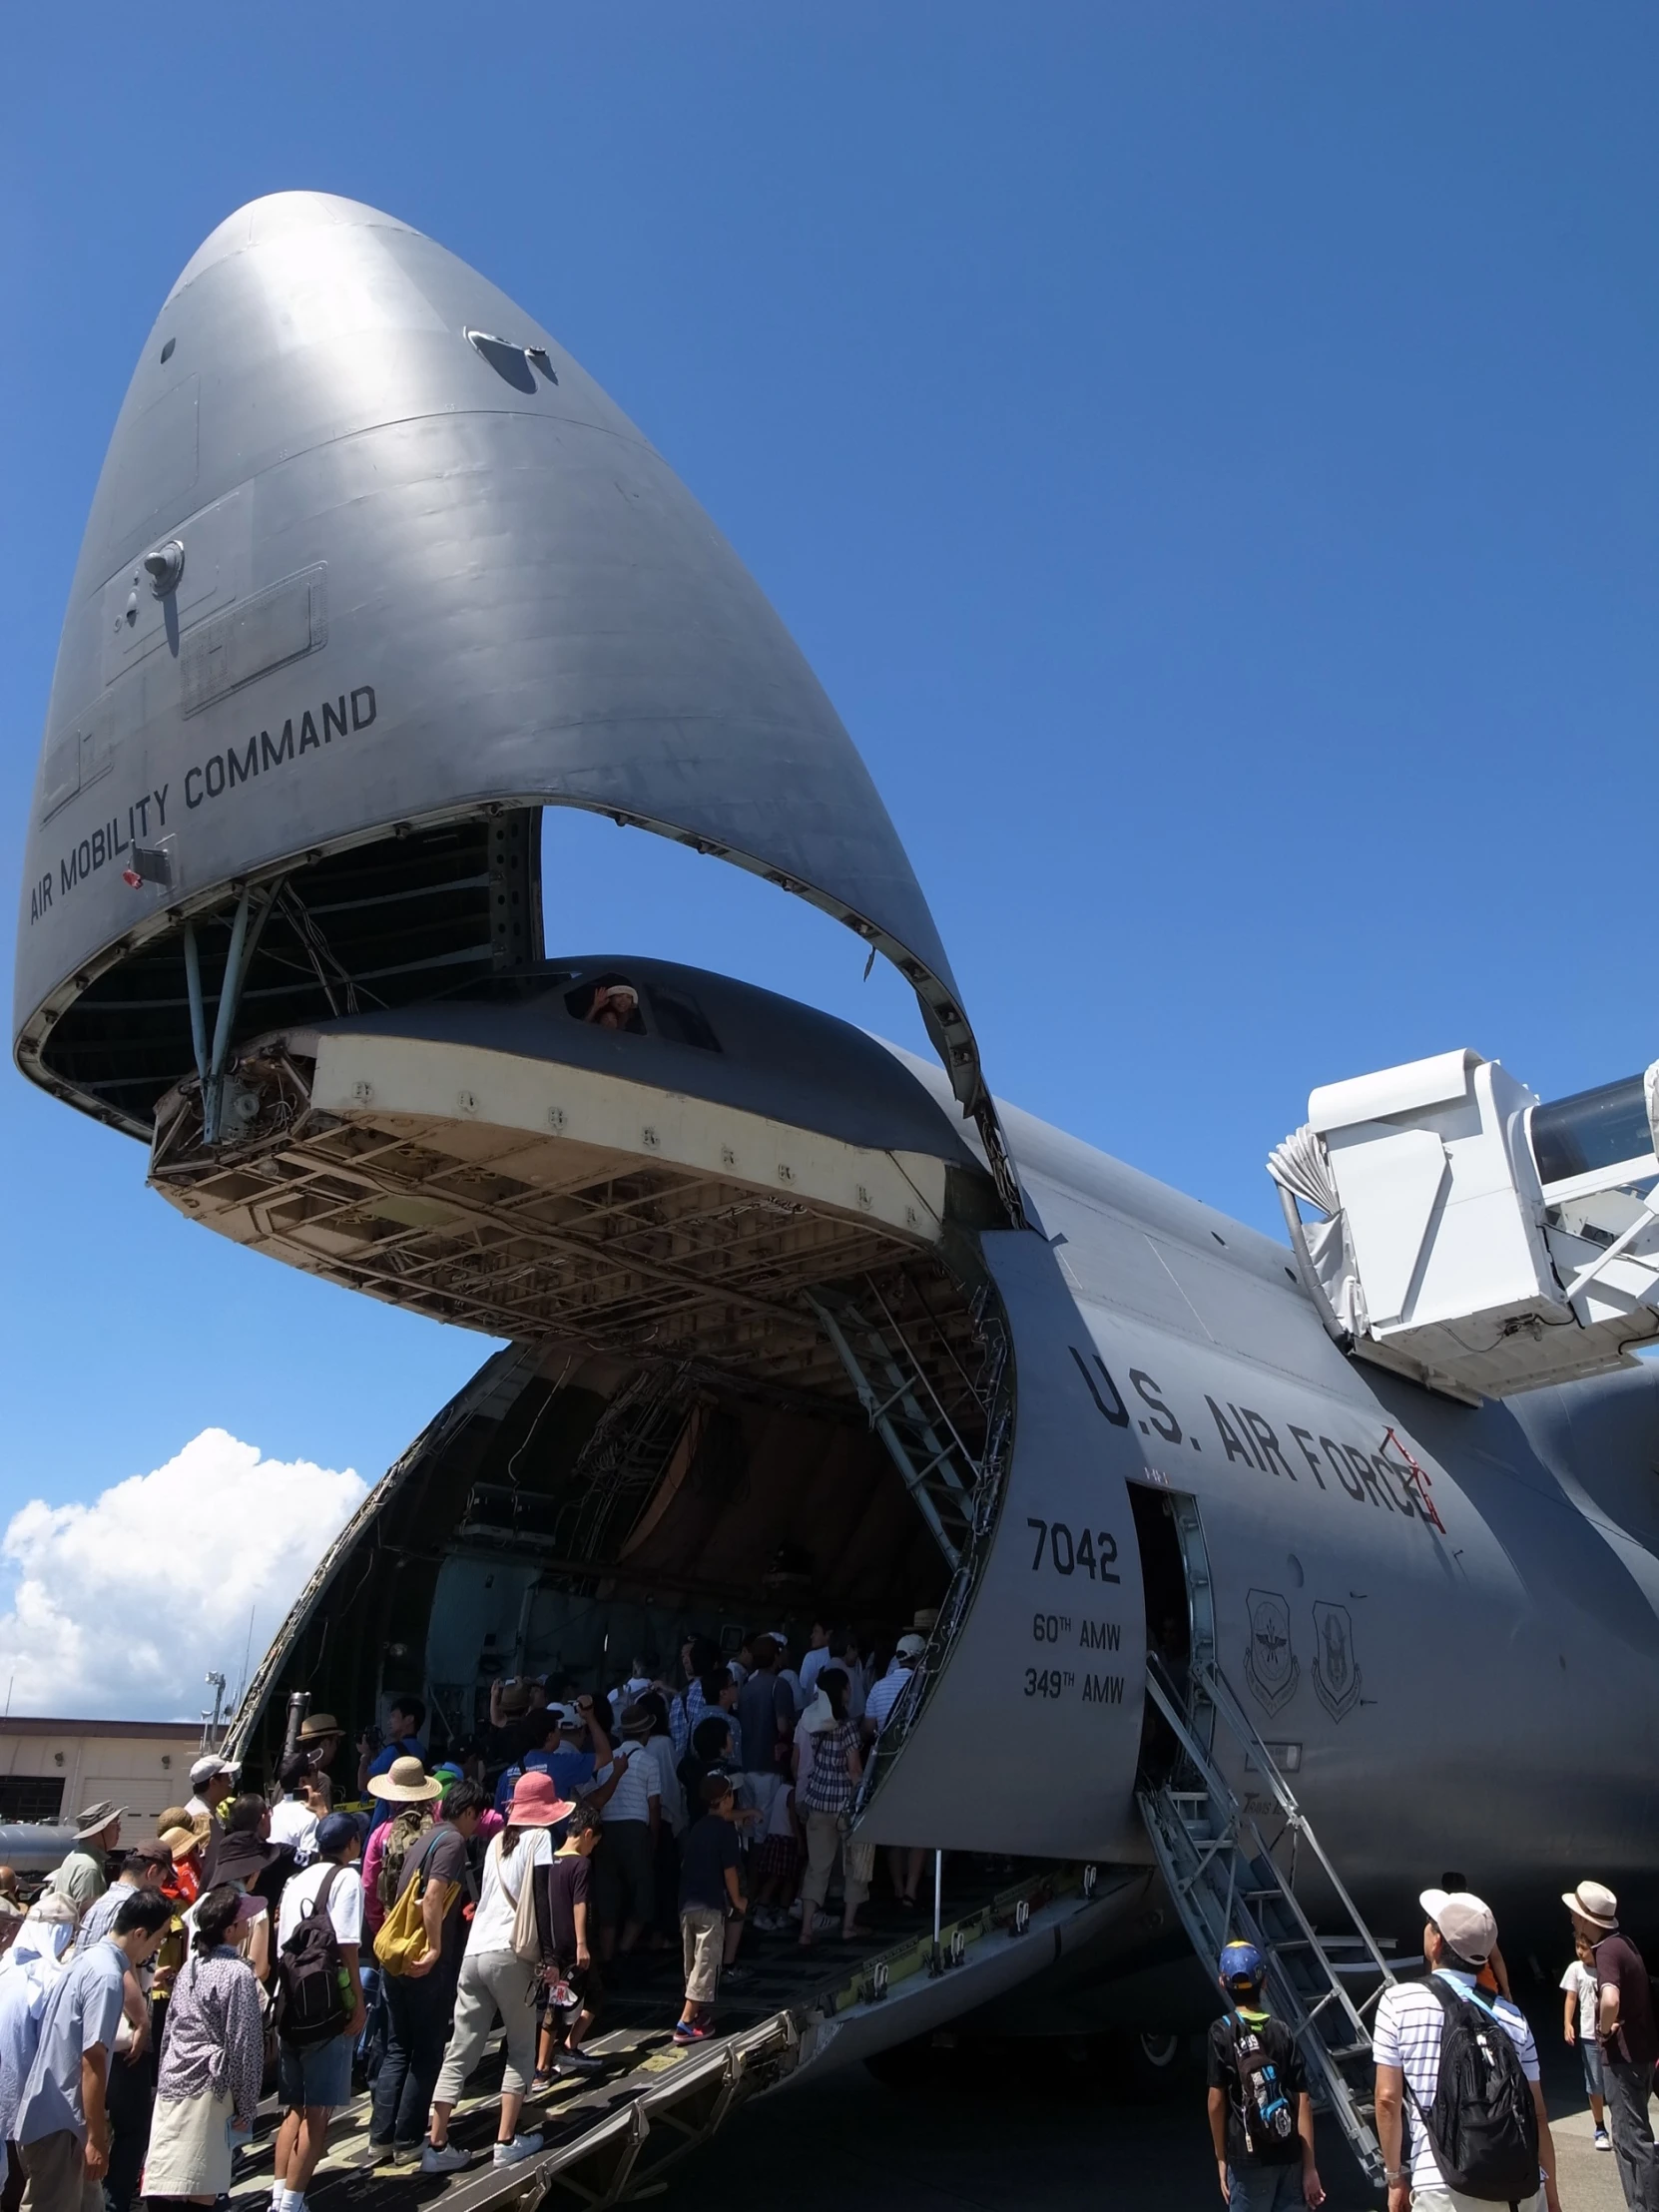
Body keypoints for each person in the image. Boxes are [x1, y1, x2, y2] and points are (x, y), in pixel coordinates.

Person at [1375, 1888, 1560, 2212]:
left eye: (1430, 1924)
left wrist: (1394, 2177)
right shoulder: (1513, 2017)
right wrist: (1552, 2199)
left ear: (1436, 1943)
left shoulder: (1398, 2003)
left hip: (1442, 2181)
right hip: (1520, 2186)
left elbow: (1387, 2099)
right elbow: (1538, 2115)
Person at [425, 1771, 571, 2174]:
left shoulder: (494, 1843)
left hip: (474, 1955)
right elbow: (541, 1899)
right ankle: (506, 2140)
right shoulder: (539, 1838)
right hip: (511, 1954)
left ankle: (436, 2144)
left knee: (461, 2047)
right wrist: (551, 1957)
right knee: (522, 2047)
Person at [14, 1888, 170, 2212]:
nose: (159, 1946)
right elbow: (93, 2060)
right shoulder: (107, 1976)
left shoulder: (89, 1958)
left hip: (57, 2116)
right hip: (62, 2125)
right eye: (160, 1937)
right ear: (140, 1933)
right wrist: (96, 2138)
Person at [367, 1772, 485, 2165]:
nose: (476, 1826)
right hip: (423, 1960)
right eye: (476, 1816)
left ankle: (381, 2137)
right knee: (426, 2051)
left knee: (398, 2046)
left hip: (395, 1955)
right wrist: (435, 1948)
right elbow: (432, 1897)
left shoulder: (423, 1839)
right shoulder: (451, 1841)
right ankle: (408, 2142)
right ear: (466, 1812)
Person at [142, 1885, 264, 2207]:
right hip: (210, 2084)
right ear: (230, 1929)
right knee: (202, 2183)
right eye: (243, 1919)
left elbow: (170, 2028)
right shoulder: (238, 1974)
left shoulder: (189, 1968)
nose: (249, 1923)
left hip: (174, 2078)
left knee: (166, 2178)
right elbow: (244, 2044)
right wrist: (248, 2104)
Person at [272, 1814, 366, 2212]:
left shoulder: (297, 1881)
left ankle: (278, 2198)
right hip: (324, 2005)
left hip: (288, 2000)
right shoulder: (346, 1879)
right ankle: (292, 2204)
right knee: (319, 2110)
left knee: (293, 2107)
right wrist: (358, 2006)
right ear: (350, 1845)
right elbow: (346, 1946)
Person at [77, 1842, 172, 2212]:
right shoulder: (129, 1908)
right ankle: (113, 2203)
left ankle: (96, 2198)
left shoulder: (101, 1902)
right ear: (152, 1871)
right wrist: (142, 2021)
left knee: (100, 2121)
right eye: (163, 1877)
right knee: (132, 2127)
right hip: (121, 2034)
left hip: (96, 2027)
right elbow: (121, 1967)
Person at [1205, 1940, 1324, 2211]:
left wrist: (1221, 2157)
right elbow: (1302, 2101)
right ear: (1265, 1983)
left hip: (1247, 2160)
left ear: (1223, 1983)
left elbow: (1216, 2102)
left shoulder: (1221, 2032)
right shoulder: (1283, 2032)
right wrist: (1310, 2167)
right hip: (1289, 2155)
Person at [1564, 1880, 1659, 2210]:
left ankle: (1644, 2205)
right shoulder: (1624, 1944)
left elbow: (1610, 1998)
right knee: (1636, 2135)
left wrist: (1604, 2030)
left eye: (1576, 1915)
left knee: (1632, 2140)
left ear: (1589, 1920)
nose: (1573, 1920)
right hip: (1643, 2055)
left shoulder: (1605, 1951)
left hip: (1624, 2060)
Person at [0, 1897, 77, 2212]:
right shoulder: (50, 1978)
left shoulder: (6, 1966)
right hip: (30, 2108)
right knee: (25, 2188)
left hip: (8, 2098)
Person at [794, 1672, 866, 1947]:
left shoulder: (812, 1722)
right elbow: (855, 1769)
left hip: (817, 1802)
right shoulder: (847, 1727)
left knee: (817, 1868)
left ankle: (806, 1931)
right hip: (844, 1806)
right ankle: (848, 1926)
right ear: (844, 1691)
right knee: (856, 1865)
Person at [535, 1804, 605, 2082]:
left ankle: (541, 2068)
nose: (593, 1849)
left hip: (552, 1946)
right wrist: (582, 1943)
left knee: (554, 2005)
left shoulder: (549, 1861)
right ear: (587, 1834)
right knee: (597, 1996)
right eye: (595, 1843)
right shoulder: (581, 1864)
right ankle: (568, 2047)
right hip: (572, 1946)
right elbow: (580, 1903)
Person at [674, 1776, 745, 2046]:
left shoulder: (697, 1828)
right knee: (706, 1963)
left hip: (687, 1905)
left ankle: (697, 2014)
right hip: (710, 1906)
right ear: (726, 1799)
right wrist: (738, 1901)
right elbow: (730, 1872)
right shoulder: (725, 1831)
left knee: (691, 1963)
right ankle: (686, 2021)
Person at [864, 1633, 926, 1908]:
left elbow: (868, 1729)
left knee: (893, 1834)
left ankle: (898, 1888)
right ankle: (912, 1891)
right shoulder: (925, 1687)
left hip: (886, 1768)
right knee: (919, 1832)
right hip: (918, 1767)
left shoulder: (879, 1687)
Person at [594, 1707, 661, 1960]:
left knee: (608, 1895)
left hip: (605, 1831)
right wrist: (653, 1841)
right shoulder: (649, 1761)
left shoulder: (606, 1760)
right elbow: (654, 1806)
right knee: (643, 1893)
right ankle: (624, 1951)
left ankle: (607, 1959)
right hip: (635, 1830)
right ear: (646, 1732)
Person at [1562, 1929, 1611, 2152]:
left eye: (1584, 1948)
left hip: (1609, 2033)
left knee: (1614, 2082)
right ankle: (1600, 2127)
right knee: (1594, 2083)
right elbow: (1571, 1997)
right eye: (1577, 1948)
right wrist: (1568, 2023)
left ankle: (1620, 2127)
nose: (1580, 1953)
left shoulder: (1606, 1968)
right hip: (1589, 2035)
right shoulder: (1575, 1969)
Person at [737, 1636, 793, 1827]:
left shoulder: (745, 1687)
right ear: (776, 1656)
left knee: (748, 1826)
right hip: (770, 1764)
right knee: (766, 1827)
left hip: (746, 1764)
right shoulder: (780, 1685)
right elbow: (783, 1726)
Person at [46, 1805, 124, 1925]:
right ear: (97, 1832)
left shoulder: (76, 1856)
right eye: (114, 1825)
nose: (119, 1829)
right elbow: (87, 1920)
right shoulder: (89, 1867)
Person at [360, 1698, 428, 1826]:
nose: (389, 1721)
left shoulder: (393, 1751)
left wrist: (365, 1756)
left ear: (409, 1719)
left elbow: (363, 1783)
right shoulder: (423, 1751)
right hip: (413, 1821)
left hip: (387, 1824)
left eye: (393, 1716)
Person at [269, 1756, 321, 1866]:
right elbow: (312, 1865)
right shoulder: (310, 1817)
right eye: (314, 1771)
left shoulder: (272, 1813)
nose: (318, 1775)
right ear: (303, 1781)